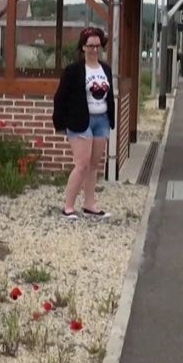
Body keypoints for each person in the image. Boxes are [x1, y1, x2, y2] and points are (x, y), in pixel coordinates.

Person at [52, 27, 115, 220]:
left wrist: (110, 118)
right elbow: (60, 97)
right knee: (81, 164)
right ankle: (68, 206)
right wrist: (60, 123)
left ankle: (89, 205)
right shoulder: (74, 70)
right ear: (83, 47)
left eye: (97, 46)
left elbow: (109, 96)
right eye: (90, 46)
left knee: (94, 165)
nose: (94, 50)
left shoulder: (105, 69)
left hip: (101, 120)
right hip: (80, 122)